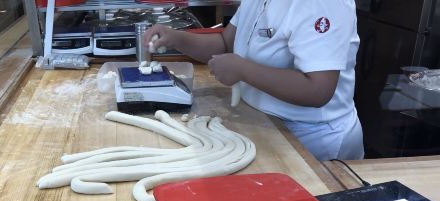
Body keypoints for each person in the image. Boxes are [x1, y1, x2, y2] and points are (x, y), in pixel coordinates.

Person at [143, 0, 364, 161]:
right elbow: (226, 43)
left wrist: (243, 70)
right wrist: (176, 38)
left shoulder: (323, 4)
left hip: (314, 141)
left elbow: (318, 89)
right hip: (267, 127)